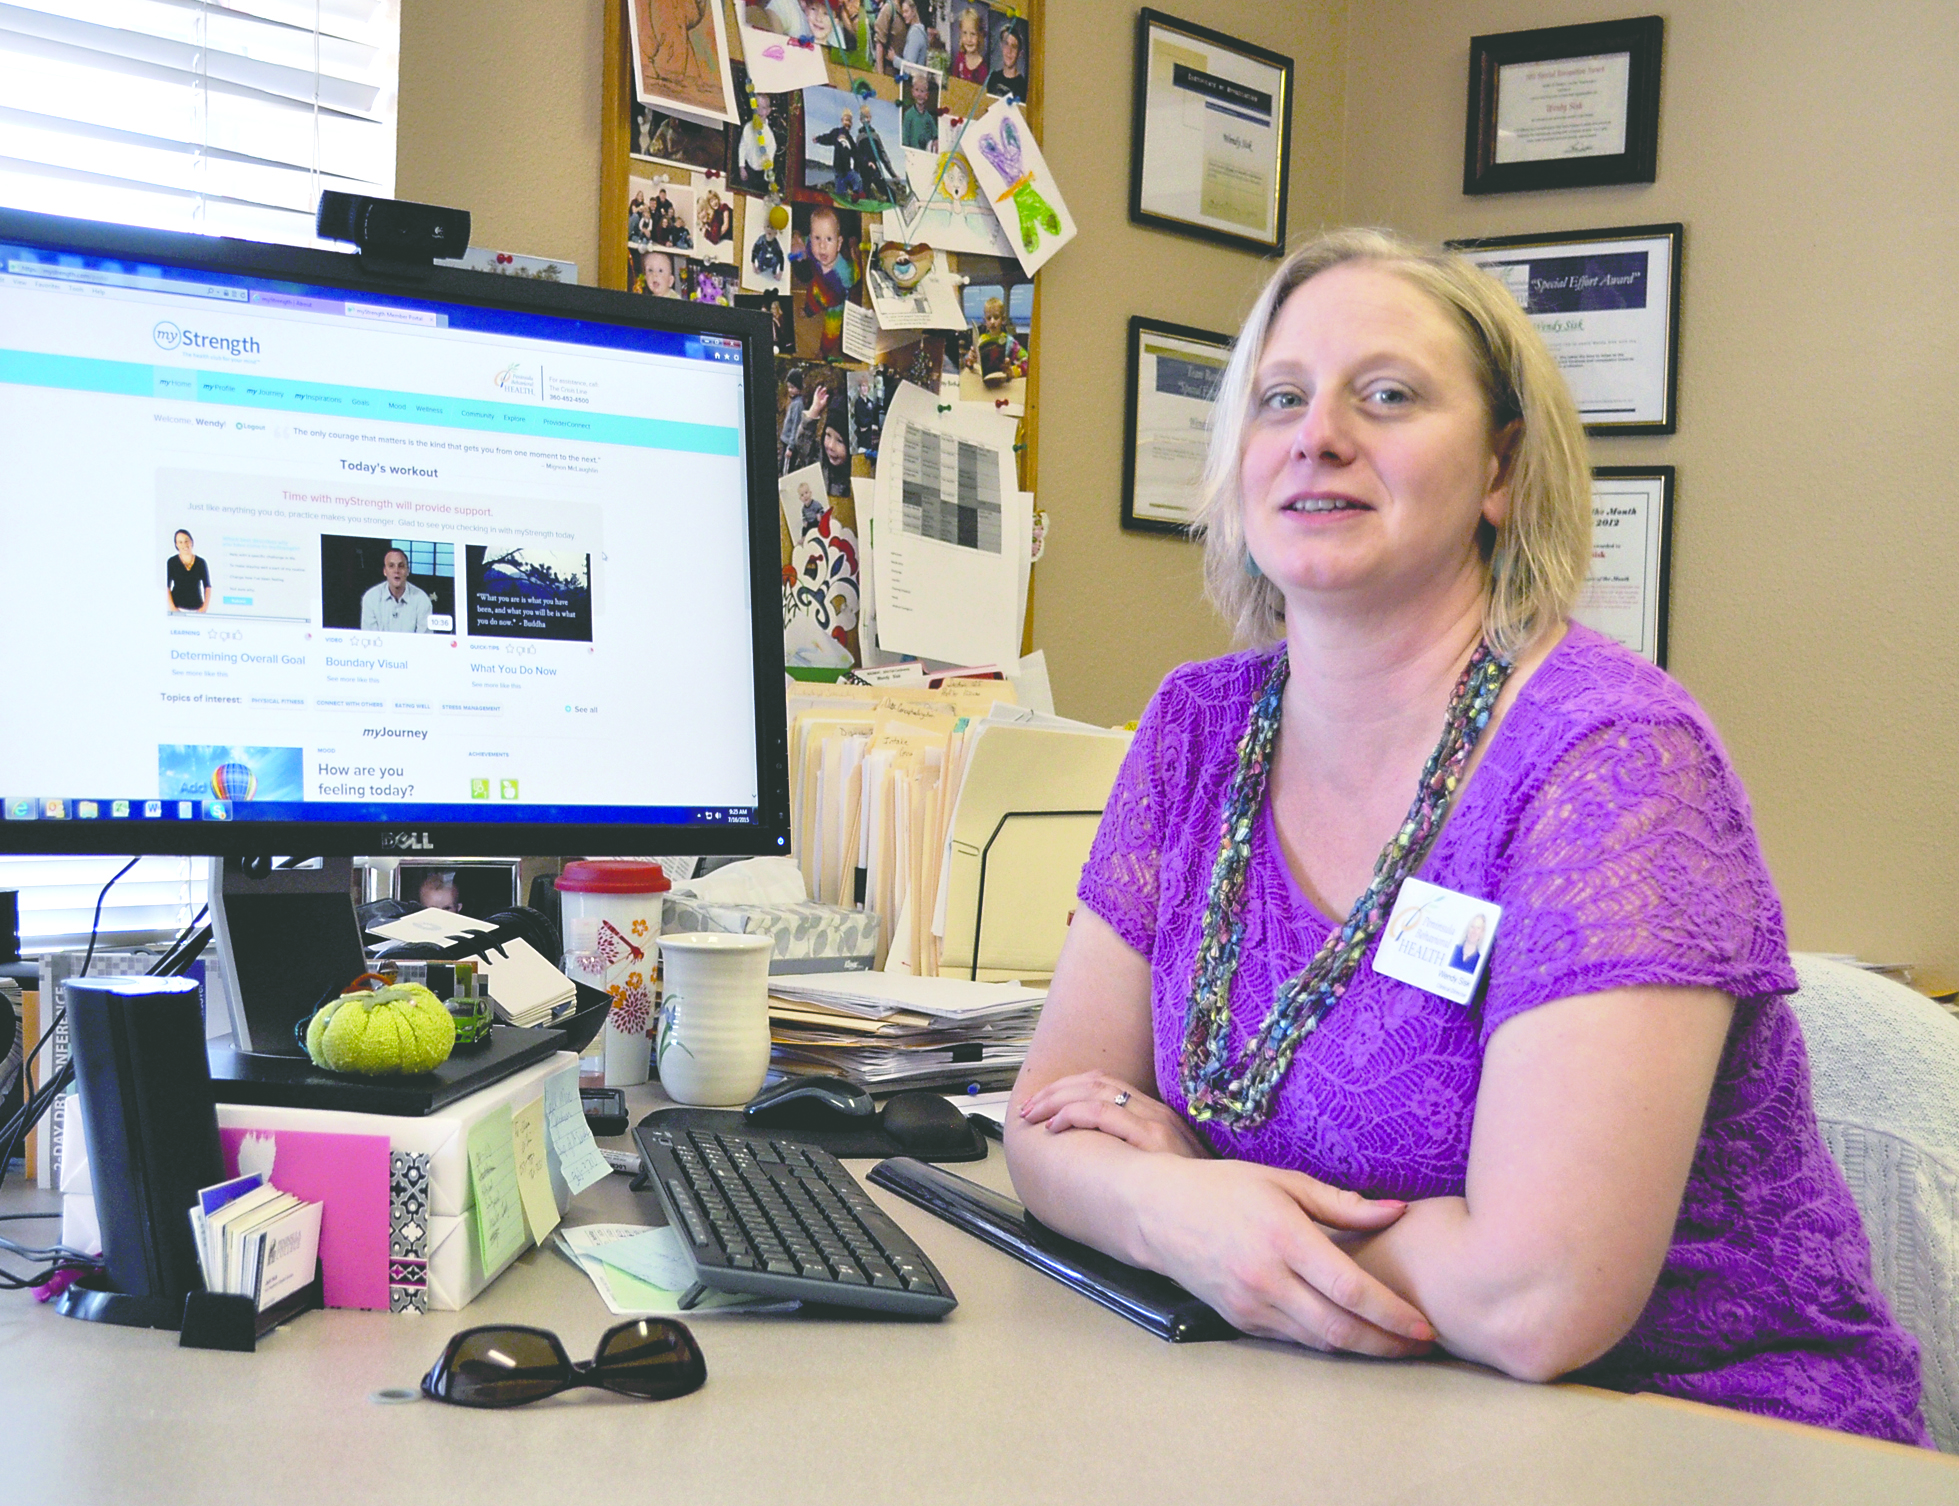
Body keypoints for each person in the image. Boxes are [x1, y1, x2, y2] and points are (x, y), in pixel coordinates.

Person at [1004, 228, 1929, 1446]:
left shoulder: (1610, 762)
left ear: (1499, 469)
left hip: (1696, 1433)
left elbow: (1537, 1298)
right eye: (1281, 397)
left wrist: (1218, 1207)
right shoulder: (1196, 730)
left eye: (1385, 395)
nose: (1316, 433)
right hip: (1340, 1409)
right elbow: (1046, 1120)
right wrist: (1174, 1214)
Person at [790, 206, 858, 358]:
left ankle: (824, 351)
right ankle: (808, 311)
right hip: (817, 287)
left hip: (836, 303)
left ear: (839, 243)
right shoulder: (812, 248)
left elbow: (855, 276)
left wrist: (855, 253)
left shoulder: (845, 272)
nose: (822, 246)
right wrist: (796, 252)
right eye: (817, 238)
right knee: (811, 300)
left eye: (829, 239)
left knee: (831, 332)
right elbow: (802, 245)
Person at [359, 547, 433, 633]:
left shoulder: (421, 599)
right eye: (391, 566)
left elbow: (424, 640)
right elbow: (370, 638)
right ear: (385, 571)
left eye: (401, 566)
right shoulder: (371, 598)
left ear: (407, 571)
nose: (396, 571)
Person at [854, 101, 907, 203]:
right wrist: (857, 172)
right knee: (864, 196)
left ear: (870, 118)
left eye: (867, 117)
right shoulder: (859, 137)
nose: (866, 120)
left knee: (891, 194)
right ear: (860, 120)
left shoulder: (875, 136)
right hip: (864, 171)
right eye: (863, 117)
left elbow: (883, 156)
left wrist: (893, 174)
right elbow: (857, 156)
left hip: (875, 171)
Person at [812, 109, 864, 201]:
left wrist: (865, 162)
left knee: (858, 180)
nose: (848, 123)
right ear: (842, 120)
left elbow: (856, 154)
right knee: (841, 193)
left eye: (850, 121)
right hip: (838, 170)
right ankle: (842, 197)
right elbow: (827, 138)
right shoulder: (837, 132)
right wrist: (818, 139)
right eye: (846, 120)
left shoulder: (850, 139)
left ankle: (855, 195)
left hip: (848, 170)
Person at [737, 95, 779, 196]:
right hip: (748, 169)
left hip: (761, 173)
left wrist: (767, 176)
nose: (760, 111)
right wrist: (741, 167)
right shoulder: (747, 128)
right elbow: (742, 147)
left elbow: (770, 156)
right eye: (757, 106)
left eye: (763, 108)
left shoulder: (769, 135)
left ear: (768, 111)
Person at [165, 529, 209, 613]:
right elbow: (167, 587)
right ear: (176, 545)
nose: (184, 544)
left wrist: (203, 609)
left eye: (186, 541)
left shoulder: (201, 562)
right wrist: (173, 608)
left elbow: (207, 587)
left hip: (197, 608)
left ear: (191, 542)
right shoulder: (171, 562)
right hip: (177, 608)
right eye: (180, 542)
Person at [899, 68, 939, 151]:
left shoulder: (928, 117)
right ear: (913, 92)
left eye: (922, 91)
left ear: (927, 95)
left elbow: (935, 133)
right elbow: (905, 137)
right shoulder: (909, 115)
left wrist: (936, 141)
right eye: (917, 90)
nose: (919, 94)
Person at [985, 18, 1027, 98]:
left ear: (1020, 53)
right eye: (1006, 44)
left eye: (1014, 47)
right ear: (1001, 45)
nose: (1009, 51)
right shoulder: (992, 78)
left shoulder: (1024, 87)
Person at [951, 3, 988, 83]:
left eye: (973, 34)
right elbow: (954, 83)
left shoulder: (982, 68)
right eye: (965, 33)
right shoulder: (960, 58)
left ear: (979, 36)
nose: (969, 39)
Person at [818, 414, 853, 497]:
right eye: (828, 435)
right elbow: (804, 446)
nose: (831, 446)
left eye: (840, 441)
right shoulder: (822, 463)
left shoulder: (855, 478)